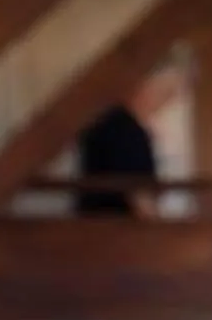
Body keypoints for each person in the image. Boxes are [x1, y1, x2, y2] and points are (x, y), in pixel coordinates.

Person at [74, 63, 179, 215]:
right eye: (166, 93)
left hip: (97, 227)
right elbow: (141, 200)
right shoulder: (125, 130)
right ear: (144, 85)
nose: (166, 102)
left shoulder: (110, 121)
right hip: (115, 230)